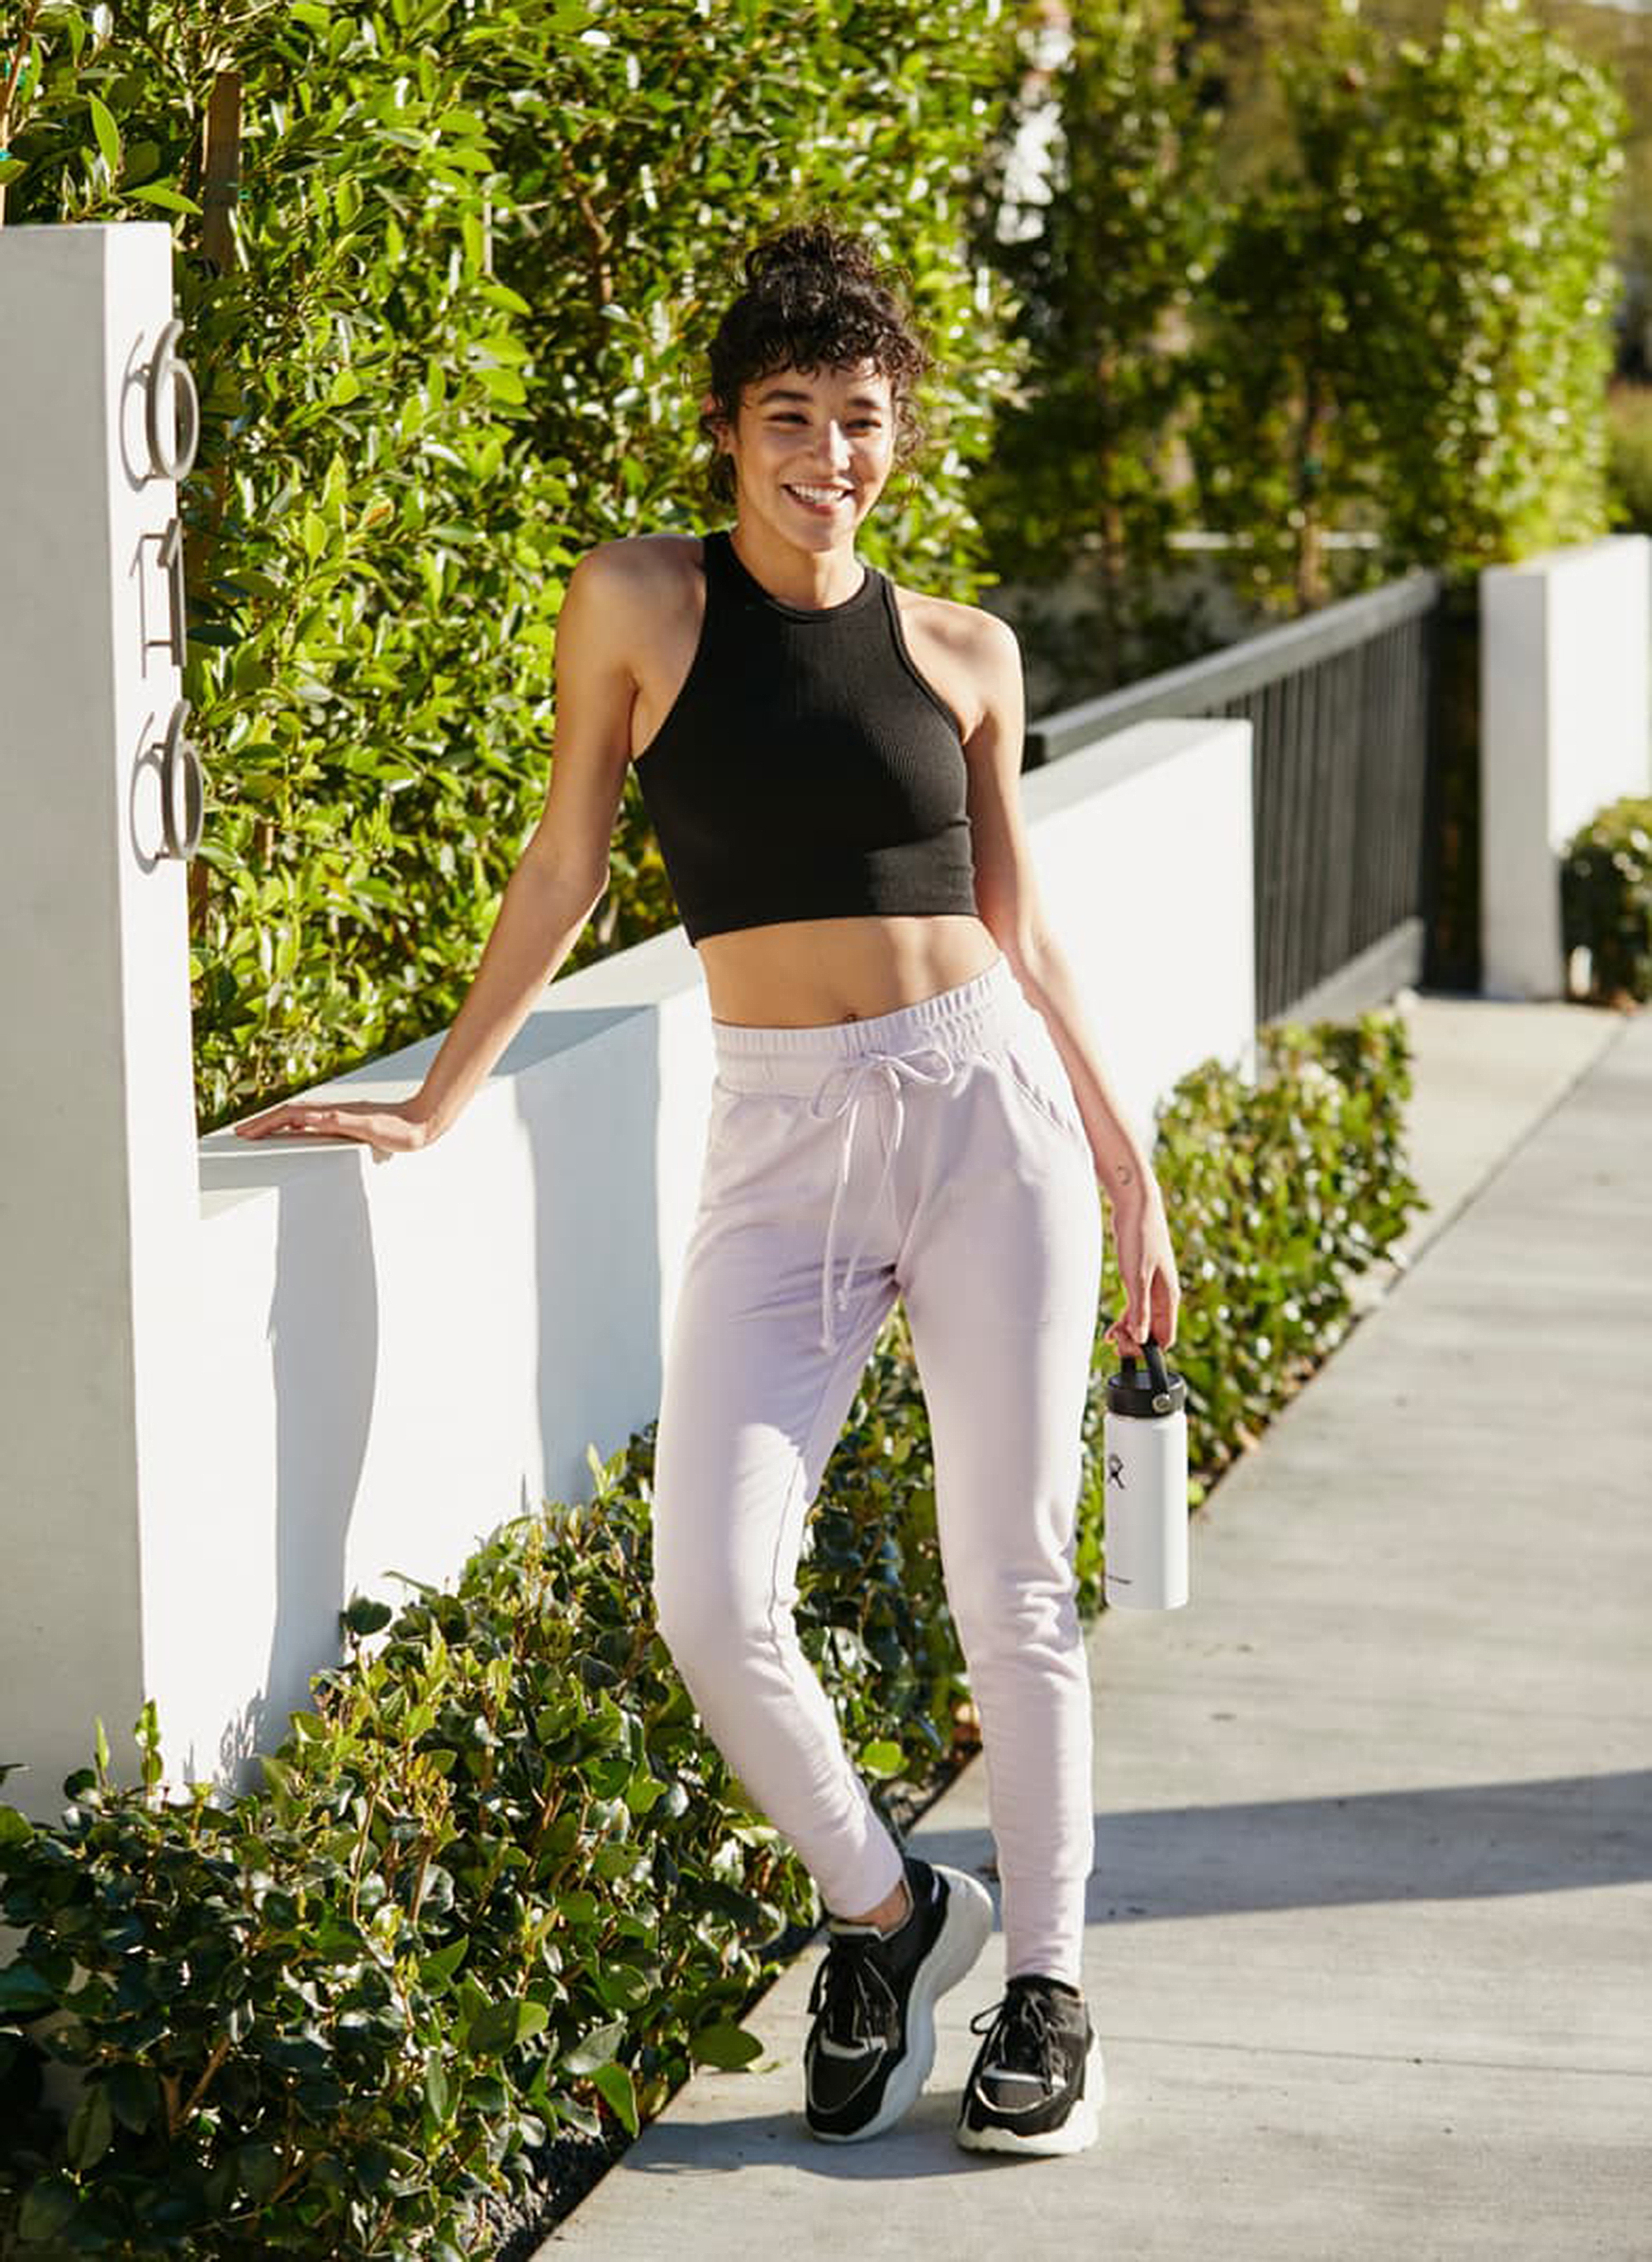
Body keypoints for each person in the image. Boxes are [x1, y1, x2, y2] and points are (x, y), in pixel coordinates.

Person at [236, 216, 1180, 2158]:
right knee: (709, 1591)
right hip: (780, 1136)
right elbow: (565, 862)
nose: (830, 453)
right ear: (726, 430)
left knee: (1010, 1579)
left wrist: (1126, 1153)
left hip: (985, 1112)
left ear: (899, 433)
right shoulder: (640, 603)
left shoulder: (964, 651)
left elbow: (1023, 923)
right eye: (791, 416)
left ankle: (1049, 1992)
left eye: (862, 418)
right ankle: (890, 1910)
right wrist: (435, 1101)